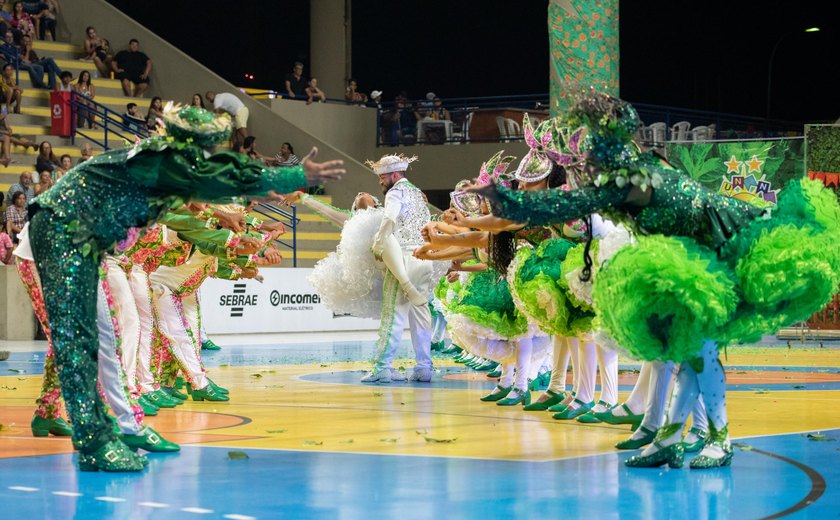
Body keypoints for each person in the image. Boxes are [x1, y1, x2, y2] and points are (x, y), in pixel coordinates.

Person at [470, 92, 840, 469]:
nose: (586, 161)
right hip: (700, 254)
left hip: (729, 249)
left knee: (699, 352)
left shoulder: (630, 178)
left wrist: (502, 203)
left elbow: (562, 206)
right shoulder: (642, 165)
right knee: (685, 351)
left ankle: (719, 439)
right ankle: (671, 438)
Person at [26, 103, 344, 471]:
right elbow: (214, 182)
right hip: (61, 229)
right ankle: (96, 439)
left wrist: (280, 187)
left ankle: (120, 425)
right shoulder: (156, 159)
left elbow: (204, 198)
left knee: (111, 333)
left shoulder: (167, 168)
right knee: (83, 339)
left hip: (87, 241)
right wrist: (286, 180)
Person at [360, 154, 435, 383]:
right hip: (424, 257)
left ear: (394, 175)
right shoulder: (417, 193)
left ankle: (382, 368)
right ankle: (424, 368)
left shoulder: (396, 192)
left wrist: (379, 243)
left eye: (383, 177)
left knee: (394, 314)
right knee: (421, 314)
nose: (380, 182)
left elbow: (389, 219)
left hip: (402, 257)